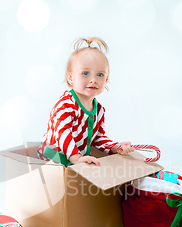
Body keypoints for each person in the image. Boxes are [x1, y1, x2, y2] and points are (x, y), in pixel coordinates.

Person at [38, 37, 134, 166]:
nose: (93, 79)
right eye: (85, 73)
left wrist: (114, 147)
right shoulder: (66, 105)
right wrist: (75, 157)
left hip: (76, 161)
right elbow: (62, 132)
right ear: (70, 77)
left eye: (99, 75)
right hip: (53, 159)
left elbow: (98, 138)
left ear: (106, 80)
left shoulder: (98, 110)